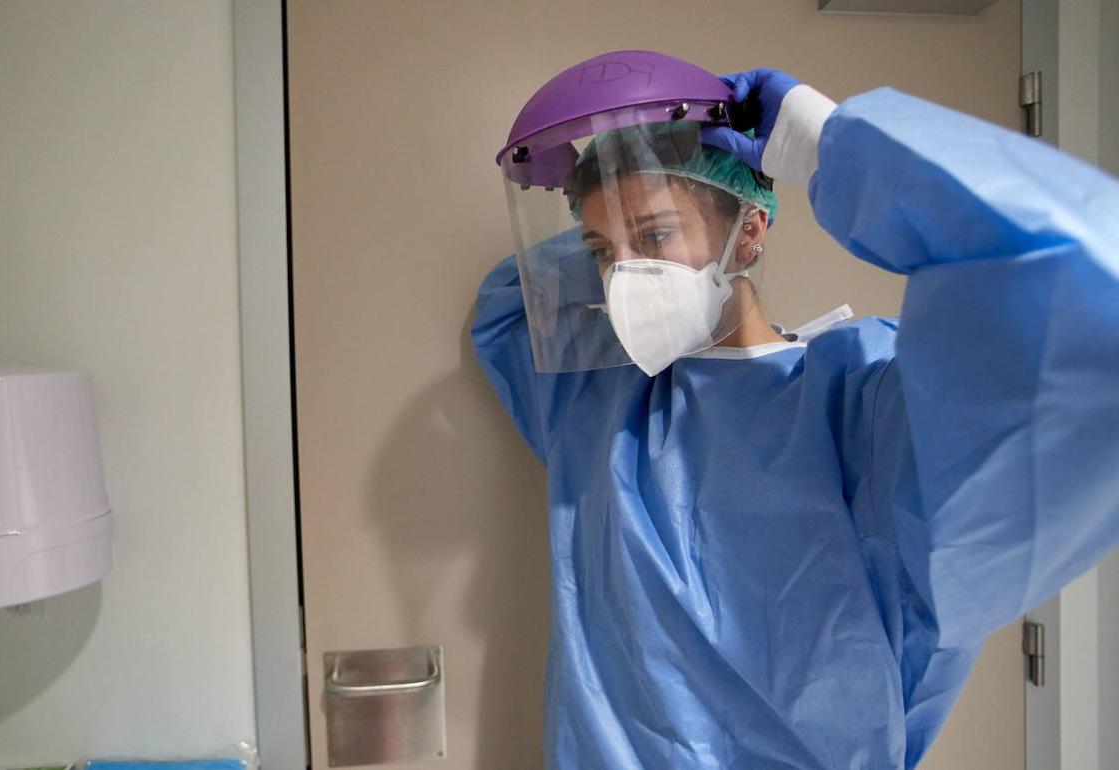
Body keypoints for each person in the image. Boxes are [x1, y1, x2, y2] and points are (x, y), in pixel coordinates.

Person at [472, 50, 1119, 769]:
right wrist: (628, 174)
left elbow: (1088, 296)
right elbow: (507, 305)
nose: (624, 275)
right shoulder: (594, 395)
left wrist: (825, 146)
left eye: (654, 237)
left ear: (749, 232)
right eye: (602, 251)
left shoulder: (862, 403)